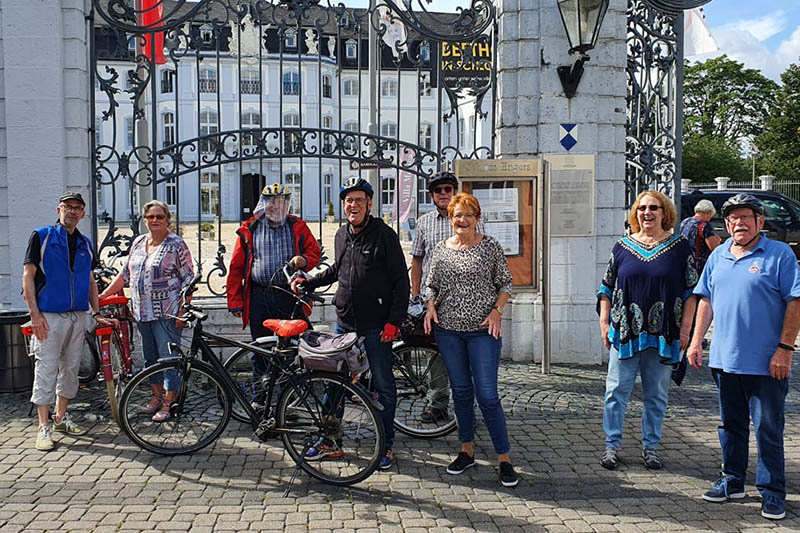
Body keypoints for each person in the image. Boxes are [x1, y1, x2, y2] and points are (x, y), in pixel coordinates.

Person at [687, 193, 800, 521]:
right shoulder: (718, 255)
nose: (738, 223)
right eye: (733, 218)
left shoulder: (779, 255)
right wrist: (696, 343)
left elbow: (795, 302)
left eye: (745, 218)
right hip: (725, 360)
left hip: (768, 363)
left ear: (759, 222)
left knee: (768, 427)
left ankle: (772, 491)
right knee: (731, 425)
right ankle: (732, 480)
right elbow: (705, 300)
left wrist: (785, 349)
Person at [292, 177, 409, 470]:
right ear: (343, 204)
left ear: (369, 203)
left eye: (359, 200)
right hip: (344, 324)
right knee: (334, 383)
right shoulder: (342, 234)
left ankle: (385, 445)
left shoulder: (384, 235)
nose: (353, 205)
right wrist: (309, 282)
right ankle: (331, 441)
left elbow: (401, 281)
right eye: (348, 200)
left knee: (383, 385)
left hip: (376, 325)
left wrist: (393, 321)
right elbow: (337, 270)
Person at [597, 190, 698, 471]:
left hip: (664, 335)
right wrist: (605, 323)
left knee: (656, 394)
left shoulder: (680, 248)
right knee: (616, 391)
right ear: (635, 213)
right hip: (625, 332)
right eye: (642, 208)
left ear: (665, 213)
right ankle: (611, 445)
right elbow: (606, 289)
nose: (647, 213)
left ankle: (651, 447)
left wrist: (686, 333)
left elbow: (692, 292)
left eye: (654, 208)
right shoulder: (622, 247)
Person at [423, 192, 517, 487]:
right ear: (450, 219)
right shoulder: (440, 249)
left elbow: (506, 284)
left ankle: (504, 458)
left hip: (482, 332)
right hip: (448, 331)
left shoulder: (489, 247)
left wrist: (497, 312)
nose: (462, 220)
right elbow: (431, 284)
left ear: (478, 218)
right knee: (461, 393)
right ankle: (466, 450)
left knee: (487, 395)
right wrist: (429, 305)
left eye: (467, 215)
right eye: (456, 215)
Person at [22, 192, 109, 450]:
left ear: (83, 214)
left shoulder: (85, 243)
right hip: (49, 316)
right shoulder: (42, 236)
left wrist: (96, 311)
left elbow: (90, 280)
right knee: (46, 368)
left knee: (71, 369)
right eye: (68, 207)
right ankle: (43, 426)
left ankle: (60, 417)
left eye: (77, 208)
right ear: (59, 209)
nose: (72, 212)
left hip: (78, 315)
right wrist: (35, 315)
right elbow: (28, 276)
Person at [226, 184, 320, 409]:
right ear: (263, 203)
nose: (275, 206)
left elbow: (314, 252)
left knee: (295, 347)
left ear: (288, 204)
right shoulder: (250, 228)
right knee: (261, 349)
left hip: (289, 296)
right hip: (259, 296)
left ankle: (290, 399)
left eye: (280, 201)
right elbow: (236, 268)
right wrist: (235, 301)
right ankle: (260, 399)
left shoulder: (297, 225)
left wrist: (303, 261)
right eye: (270, 201)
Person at [99, 200, 194, 422]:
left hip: (167, 314)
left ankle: (170, 402)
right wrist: (103, 296)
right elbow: (125, 275)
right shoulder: (139, 243)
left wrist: (182, 310)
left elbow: (189, 280)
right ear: (144, 219)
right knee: (151, 358)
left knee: (168, 358)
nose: (154, 221)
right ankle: (156, 397)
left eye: (159, 217)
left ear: (167, 219)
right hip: (142, 312)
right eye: (150, 217)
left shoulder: (176, 245)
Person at [410, 171, 485, 423]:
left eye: (448, 189)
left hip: (466, 301)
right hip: (434, 301)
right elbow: (417, 260)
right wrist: (416, 295)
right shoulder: (423, 223)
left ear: (455, 192)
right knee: (435, 354)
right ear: (432, 195)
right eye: (438, 190)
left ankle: (467, 406)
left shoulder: (471, 220)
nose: (443, 194)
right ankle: (437, 403)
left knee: (467, 354)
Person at [680, 199, 721, 274]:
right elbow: (714, 247)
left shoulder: (684, 222)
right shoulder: (704, 225)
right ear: (709, 212)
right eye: (710, 216)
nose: (709, 219)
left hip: (684, 263)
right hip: (699, 266)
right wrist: (717, 240)